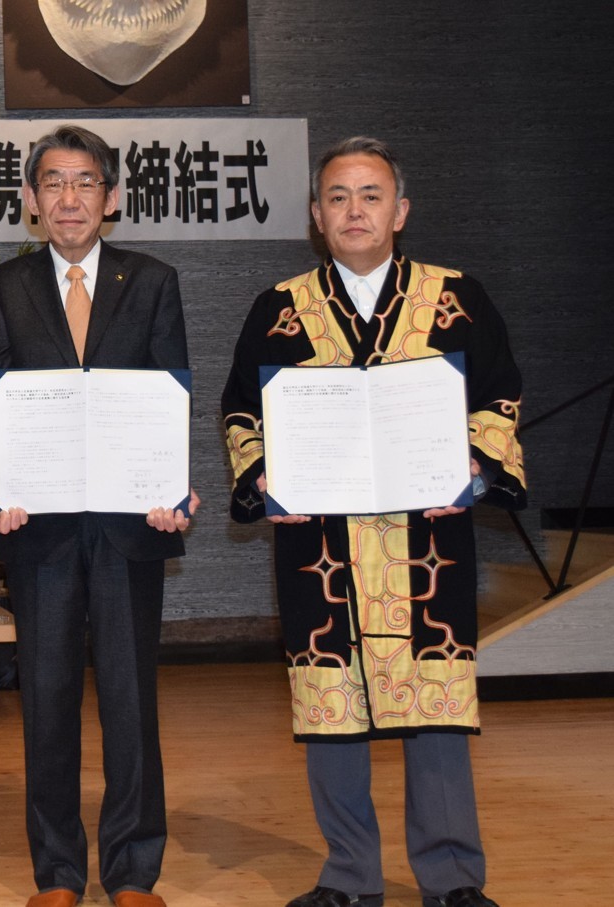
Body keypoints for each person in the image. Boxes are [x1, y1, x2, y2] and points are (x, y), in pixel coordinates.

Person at [220, 136, 526, 907]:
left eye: (369, 195)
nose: (353, 210)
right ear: (315, 215)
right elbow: (241, 410)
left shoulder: (454, 296)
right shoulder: (279, 308)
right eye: (336, 197)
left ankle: (451, 877)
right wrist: (263, 475)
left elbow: (498, 394)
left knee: (436, 706)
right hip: (319, 542)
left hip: (427, 542)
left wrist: (473, 468)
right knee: (329, 708)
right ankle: (349, 876)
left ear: (399, 210)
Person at [0, 124, 196, 907]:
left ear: (112, 197)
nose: (69, 198)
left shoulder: (153, 280)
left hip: (130, 524)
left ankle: (132, 869)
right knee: (46, 700)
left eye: (85, 182)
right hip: (38, 526)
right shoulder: (0, 287)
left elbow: (170, 390)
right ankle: (58, 871)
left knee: (131, 700)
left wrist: (175, 485)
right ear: (30, 200)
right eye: (53, 183)